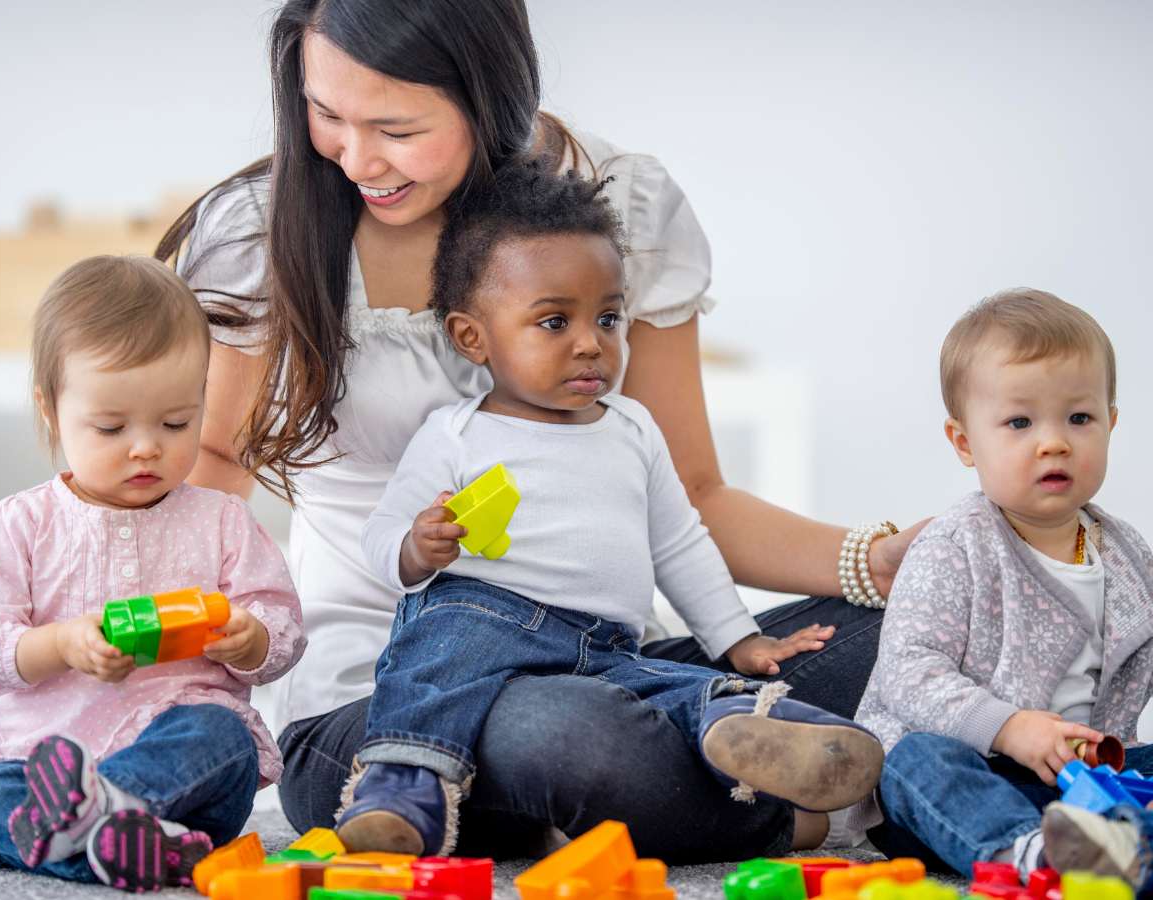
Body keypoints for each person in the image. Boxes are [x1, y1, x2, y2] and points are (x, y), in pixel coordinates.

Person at [159, 0, 921, 861]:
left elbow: (692, 501)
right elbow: (215, 466)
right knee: (556, 729)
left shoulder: (613, 206)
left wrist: (880, 562)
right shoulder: (265, 230)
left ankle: (702, 745)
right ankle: (821, 803)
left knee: (915, 623)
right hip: (381, 700)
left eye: (396, 127)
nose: (355, 158)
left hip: (605, 655)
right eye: (325, 113)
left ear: (490, 91)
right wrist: (185, 665)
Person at [339, 164, 884, 856]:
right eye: (554, 321)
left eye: (608, 317)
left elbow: (682, 545)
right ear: (474, 338)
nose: (591, 342)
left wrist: (739, 641)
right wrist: (419, 547)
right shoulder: (456, 433)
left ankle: (758, 724)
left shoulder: (631, 428)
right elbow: (382, 537)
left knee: (667, 685)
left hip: (607, 646)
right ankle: (403, 785)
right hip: (487, 623)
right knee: (435, 650)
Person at [0, 256, 307, 892]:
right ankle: (139, 847)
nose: (147, 446)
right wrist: (59, 645)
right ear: (51, 410)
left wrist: (252, 639)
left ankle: (98, 822)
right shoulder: (21, 524)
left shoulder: (222, 521)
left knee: (221, 735)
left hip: (182, 765)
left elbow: (280, 625)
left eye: (177, 423)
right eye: (112, 427)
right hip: (46, 755)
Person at [851, 290, 1153, 881]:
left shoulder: (1127, 553)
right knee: (913, 762)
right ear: (965, 443)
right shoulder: (955, 545)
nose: (1054, 441)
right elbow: (908, 671)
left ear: (1110, 424)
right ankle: (1027, 855)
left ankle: (1115, 848)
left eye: (1080, 418)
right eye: (1020, 422)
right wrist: (1009, 728)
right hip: (976, 776)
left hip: (1087, 783)